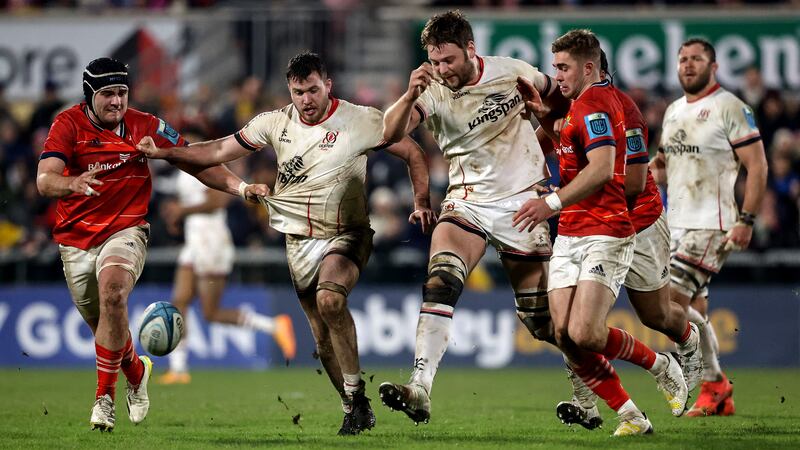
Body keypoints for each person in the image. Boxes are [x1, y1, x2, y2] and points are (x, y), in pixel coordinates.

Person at [137, 52, 435, 435]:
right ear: (289, 91)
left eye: (313, 89)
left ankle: (356, 399)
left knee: (331, 299)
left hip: (348, 232)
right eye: (298, 92)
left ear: (327, 85)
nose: (306, 99)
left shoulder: (360, 119)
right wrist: (164, 153)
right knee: (322, 341)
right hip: (298, 242)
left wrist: (422, 201)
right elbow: (214, 152)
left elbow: (411, 151)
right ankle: (353, 403)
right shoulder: (273, 124)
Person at [35, 57, 260, 432]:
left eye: (122, 93)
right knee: (106, 327)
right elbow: (45, 181)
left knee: (113, 294)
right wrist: (71, 183)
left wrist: (241, 188)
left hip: (127, 230)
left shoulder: (147, 126)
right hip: (75, 241)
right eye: (107, 94)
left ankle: (103, 403)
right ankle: (137, 371)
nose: (117, 102)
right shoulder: (67, 124)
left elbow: (197, 161)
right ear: (90, 95)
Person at [377, 10, 569, 425]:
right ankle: (420, 387)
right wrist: (409, 94)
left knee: (542, 323)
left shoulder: (511, 72)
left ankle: (592, 388)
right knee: (440, 281)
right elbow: (389, 135)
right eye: (434, 60)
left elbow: (561, 103)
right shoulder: (430, 91)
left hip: (522, 204)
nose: (442, 69)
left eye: (448, 60)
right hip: (467, 202)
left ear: (470, 49)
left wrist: (548, 135)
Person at [513, 29, 687, 436]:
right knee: (564, 335)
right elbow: (577, 153)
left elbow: (603, 168)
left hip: (605, 230)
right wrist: (545, 118)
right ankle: (630, 415)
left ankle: (661, 365)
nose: (556, 75)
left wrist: (551, 202)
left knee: (585, 332)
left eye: (563, 67)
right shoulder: (580, 103)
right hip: (573, 232)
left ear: (588, 67)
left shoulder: (594, 104)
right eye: (555, 67)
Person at [652, 38, 768, 417]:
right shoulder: (671, 111)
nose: (687, 65)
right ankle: (717, 388)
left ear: (713, 67)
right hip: (676, 224)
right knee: (691, 309)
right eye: (682, 59)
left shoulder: (730, 107)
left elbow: (758, 165)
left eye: (696, 59)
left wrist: (746, 219)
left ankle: (709, 382)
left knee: (667, 304)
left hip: (711, 224)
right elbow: (664, 165)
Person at [158, 149, 297, 385]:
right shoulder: (182, 172)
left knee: (210, 313)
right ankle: (179, 368)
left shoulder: (208, 166)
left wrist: (183, 211)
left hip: (212, 240)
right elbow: (190, 203)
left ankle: (274, 325)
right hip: (194, 241)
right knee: (179, 300)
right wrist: (176, 216)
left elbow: (218, 201)